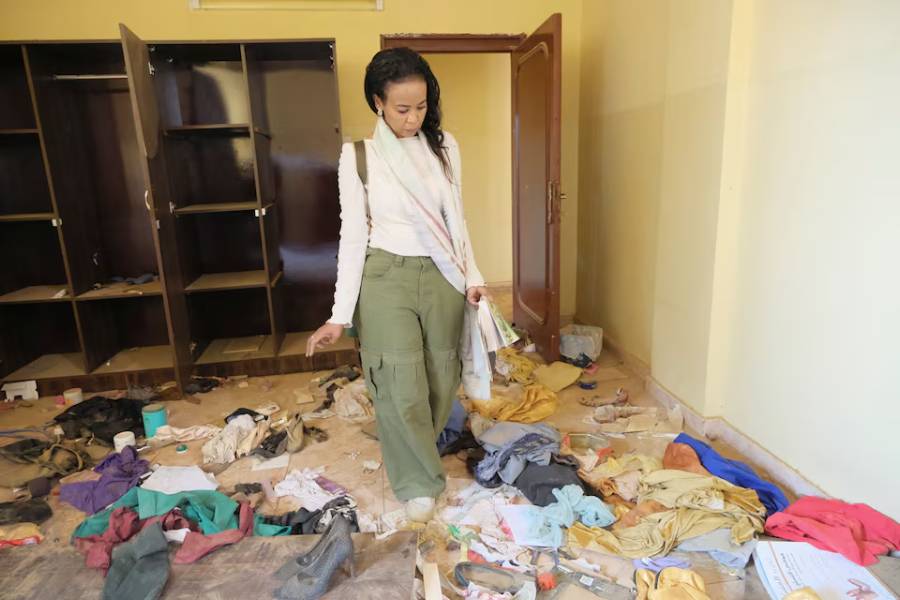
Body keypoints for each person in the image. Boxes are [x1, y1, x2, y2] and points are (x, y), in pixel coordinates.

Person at [306, 47, 488, 523]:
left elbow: (457, 219)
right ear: (377, 103)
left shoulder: (445, 147)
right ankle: (418, 482)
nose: (413, 118)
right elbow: (352, 233)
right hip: (384, 275)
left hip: (443, 273)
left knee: (441, 378)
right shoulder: (359, 157)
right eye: (402, 109)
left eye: (422, 106)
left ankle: (414, 452)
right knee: (399, 382)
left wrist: (473, 277)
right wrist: (339, 314)